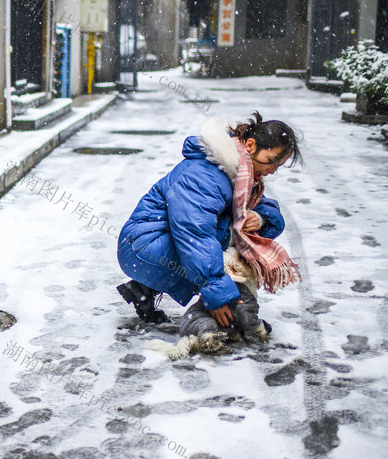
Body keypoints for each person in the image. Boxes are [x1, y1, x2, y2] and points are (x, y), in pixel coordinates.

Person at [116, 113, 302, 329]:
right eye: (271, 162)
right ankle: (218, 314)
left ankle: (144, 289)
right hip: (143, 246)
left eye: (278, 166)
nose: (271, 171)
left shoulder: (239, 172)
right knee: (227, 241)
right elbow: (194, 234)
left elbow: (271, 216)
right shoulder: (205, 175)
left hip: (155, 244)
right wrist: (216, 292)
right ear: (250, 145)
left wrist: (259, 218)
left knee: (237, 233)